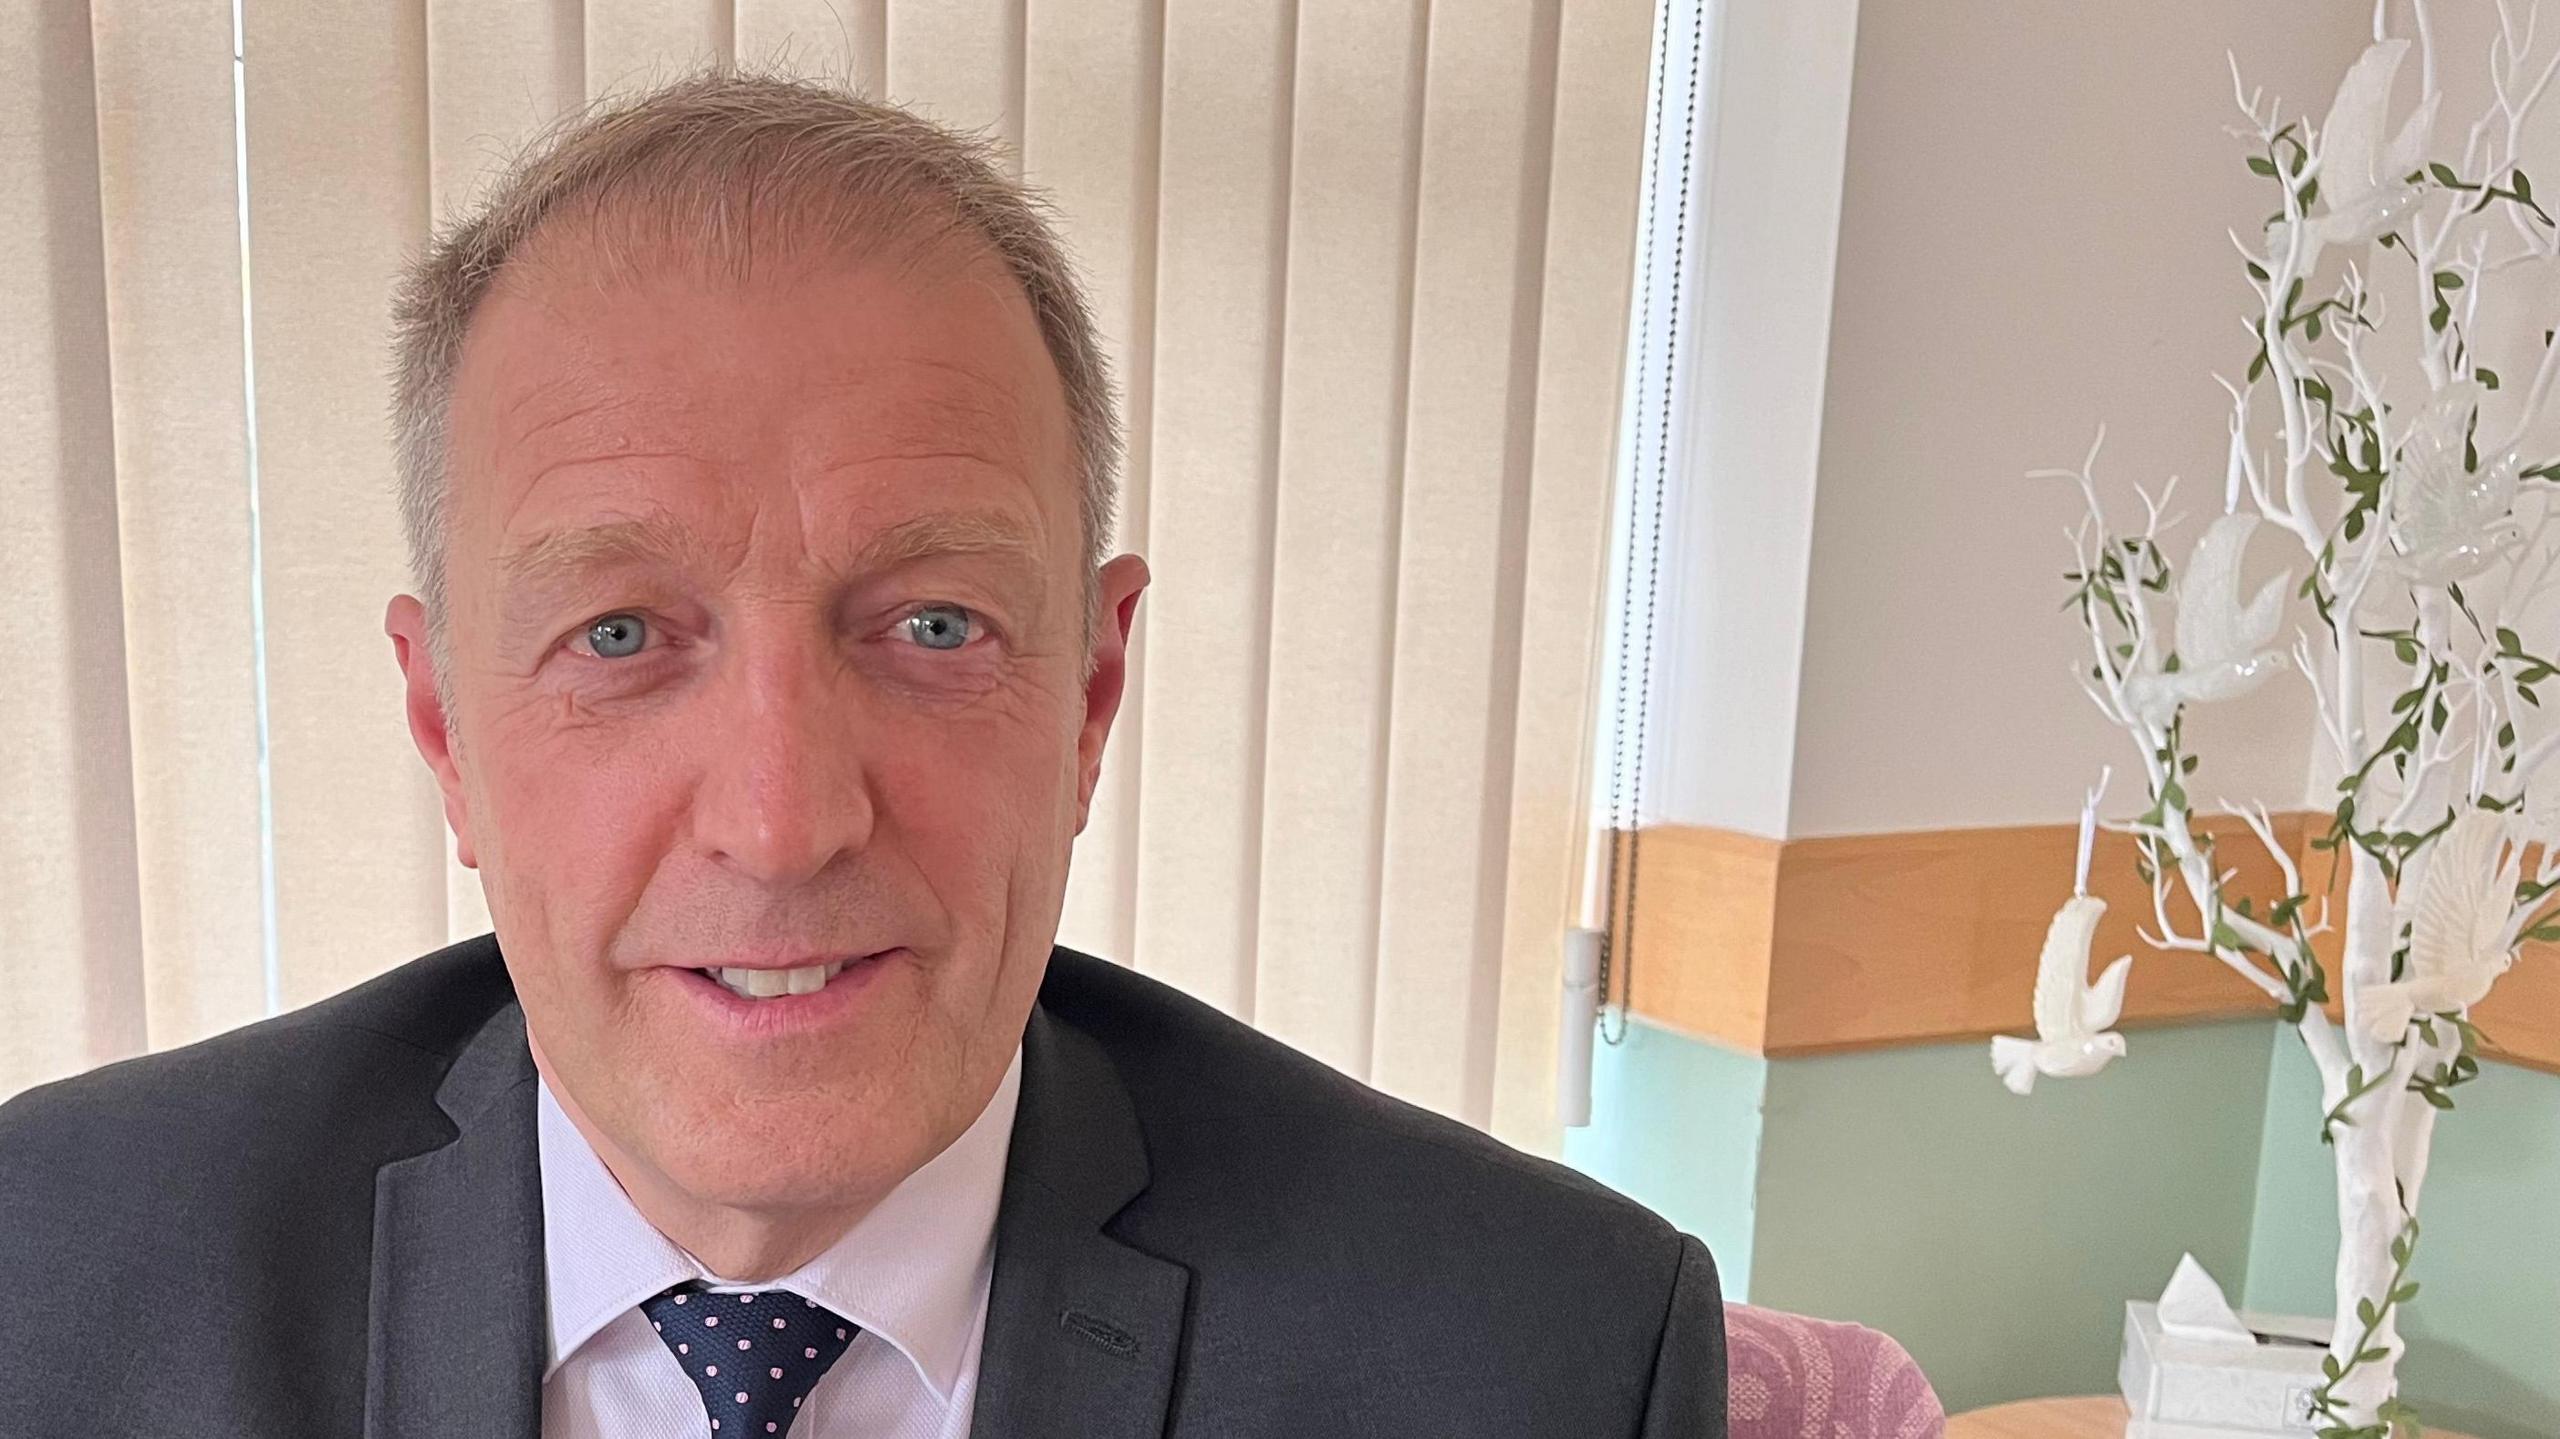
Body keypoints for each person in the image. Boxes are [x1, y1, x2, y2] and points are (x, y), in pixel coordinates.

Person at [0, 72, 1725, 1438]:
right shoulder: (50, 1278)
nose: (780, 822)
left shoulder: (1541, 1359)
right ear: (446, 729)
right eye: (619, 637)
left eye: (932, 627)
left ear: (1091, 697)